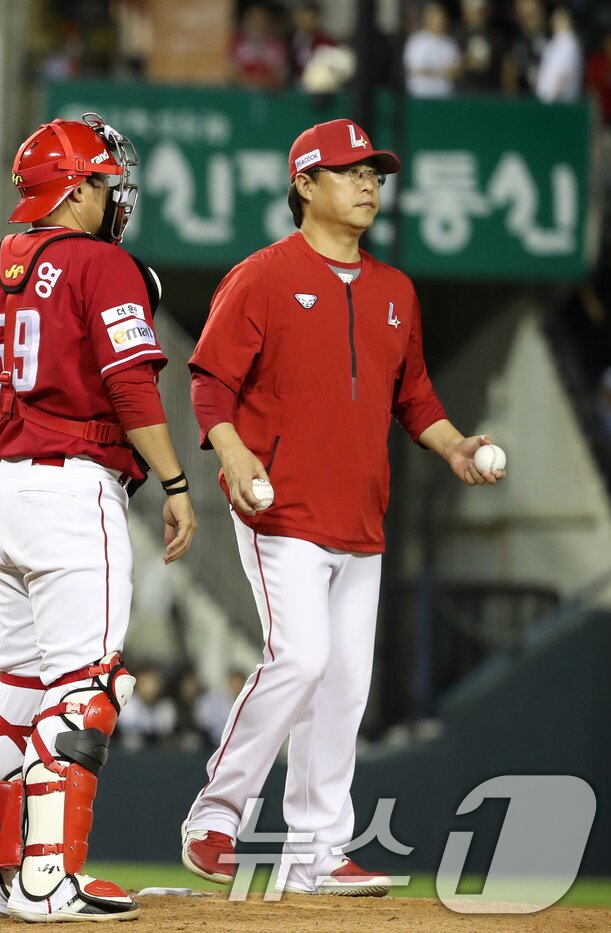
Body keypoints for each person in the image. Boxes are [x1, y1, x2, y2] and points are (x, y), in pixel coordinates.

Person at [179, 118, 507, 896]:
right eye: (351, 170)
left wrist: (455, 445)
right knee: (299, 658)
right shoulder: (261, 275)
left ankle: (317, 851)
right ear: (304, 183)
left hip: (361, 516)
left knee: (346, 684)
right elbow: (208, 383)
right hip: (279, 507)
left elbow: (414, 395)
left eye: (375, 173)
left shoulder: (396, 290)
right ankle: (214, 819)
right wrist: (232, 453)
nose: (369, 184)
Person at [0, 115, 197, 922]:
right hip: (71, 489)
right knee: (84, 688)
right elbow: (132, 388)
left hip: (7, 493)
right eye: (104, 179)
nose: (113, 192)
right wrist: (174, 480)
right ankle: (47, 877)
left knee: (17, 686)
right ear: (78, 187)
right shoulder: (103, 264)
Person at [403, 2, 461, 98]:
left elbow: (456, 72)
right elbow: (417, 69)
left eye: (442, 17)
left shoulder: (450, 43)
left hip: (444, 97)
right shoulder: (416, 40)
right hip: (420, 96)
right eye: (436, 17)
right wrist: (444, 71)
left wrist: (434, 71)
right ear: (427, 19)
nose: (440, 21)